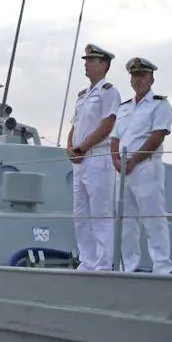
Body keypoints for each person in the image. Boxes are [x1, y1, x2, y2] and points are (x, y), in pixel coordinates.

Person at [110, 57, 172, 274]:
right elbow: (115, 138)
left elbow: (157, 136)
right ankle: (127, 267)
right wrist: (117, 161)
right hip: (122, 170)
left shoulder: (160, 104)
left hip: (146, 167)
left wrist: (134, 160)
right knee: (126, 223)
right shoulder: (125, 108)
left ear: (151, 78)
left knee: (153, 219)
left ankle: (162, 268)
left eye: (142, 75)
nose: (138, 80)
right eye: (134, 76)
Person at [67, 43, 121, 271]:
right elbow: (75, 124)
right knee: (80, 214)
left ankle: (103, 263)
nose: (86, 64)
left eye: (91, 60)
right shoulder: (83, 95)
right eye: (86, 60)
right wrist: (70, 147)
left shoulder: (109, 92)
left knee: (100, 213)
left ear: (104, 64)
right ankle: (87, 260)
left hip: (98, 157)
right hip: (80, 160)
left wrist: (83, 147)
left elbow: (107, 124)